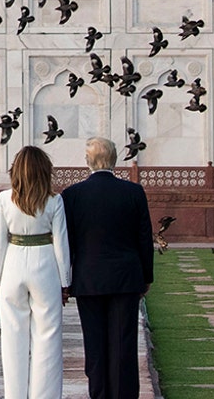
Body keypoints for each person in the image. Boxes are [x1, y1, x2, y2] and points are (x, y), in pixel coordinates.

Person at [60, 137, 155, 399]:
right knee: (123, 342)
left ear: (87, 161)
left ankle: (99, 394)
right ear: (115, 159)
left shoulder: (72, 195)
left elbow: (66, 242)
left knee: (95, 344)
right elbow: (144, 238)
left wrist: (65, 281)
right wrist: (146, 276)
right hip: (126, 277)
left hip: (88, 279)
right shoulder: (133, 192)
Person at [0, 144, 72, 399]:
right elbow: (61, 243)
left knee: (13, 340)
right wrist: (65, 282)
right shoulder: (54, 200)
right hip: (45, 266)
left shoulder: (5, 198)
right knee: (47, 337)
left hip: (13, 267)